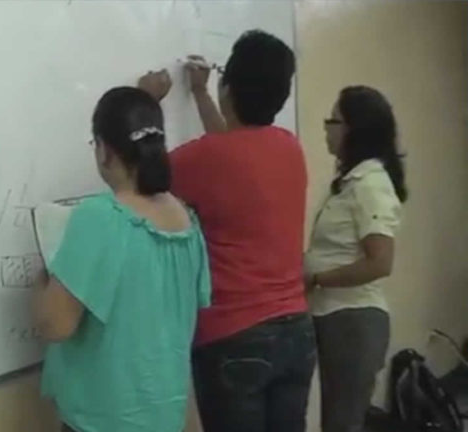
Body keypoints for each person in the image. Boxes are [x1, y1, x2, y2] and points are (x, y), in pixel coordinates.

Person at [139, 30, 314, 432]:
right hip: (296, 332)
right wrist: (202, 94)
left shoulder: (205, 158)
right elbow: (234, 150)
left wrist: (145, 103)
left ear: (228, 87)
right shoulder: (289, 147)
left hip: (235, 336)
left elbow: (142, 173)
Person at [35, 87, 212, 432]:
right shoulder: (186, 220)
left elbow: (56, 324)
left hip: (106, 420)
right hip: (167, 416)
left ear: (104, 150)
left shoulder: (99, 217)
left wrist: (41, 282)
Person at [304, 86, 406, 432]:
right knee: (336, 421)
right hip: (333, 317)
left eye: (333, 121)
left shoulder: (371, 183)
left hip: (353, 320)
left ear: (353, 129)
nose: (326, 128)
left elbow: (380, 263)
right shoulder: (350, 182)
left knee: (342, 423)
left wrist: (316, 278)